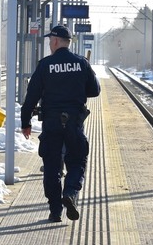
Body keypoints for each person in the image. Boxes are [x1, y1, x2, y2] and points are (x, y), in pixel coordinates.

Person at [20, 25, 100, 223]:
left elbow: (31, 97)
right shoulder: (81, 63)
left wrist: (25, 122)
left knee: (52, 166)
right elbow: (95, 90)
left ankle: (55, 211)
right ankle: (71, 193)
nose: (49, 44)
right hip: (74, 121)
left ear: (55, 41)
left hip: (52, 122)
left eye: (50, 41)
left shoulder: (45, 65)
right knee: (77, 160)